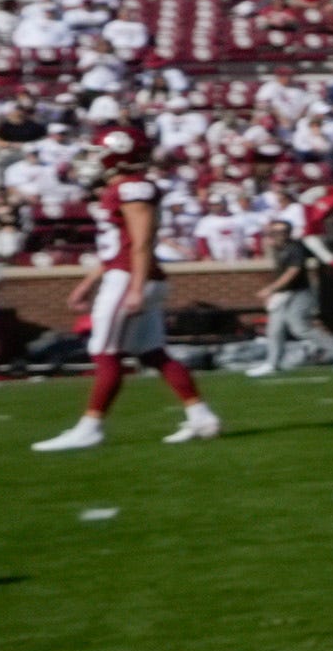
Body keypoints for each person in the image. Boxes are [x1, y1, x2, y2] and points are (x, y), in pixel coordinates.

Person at [34, 137, 215, 452]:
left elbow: (142, 243)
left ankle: (91, 427)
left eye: (97, 154)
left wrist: (135, 286)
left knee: (106, 353)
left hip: (130, 277)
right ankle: (201, 415)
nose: (90, 160)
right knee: (152, 353)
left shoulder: (133, 188)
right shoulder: (120, 189)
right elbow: (121, 246)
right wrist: (87, 283)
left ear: (118, 157)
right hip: (130, 274)